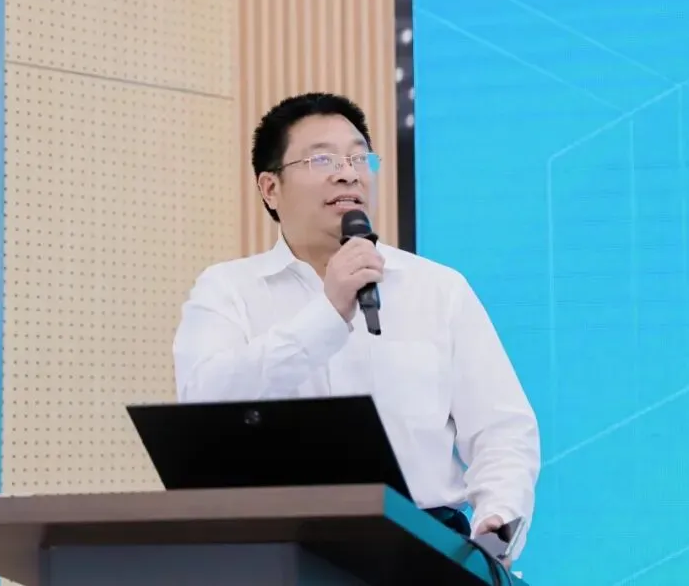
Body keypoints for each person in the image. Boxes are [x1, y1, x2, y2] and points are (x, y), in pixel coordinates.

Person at [171, 92, 540, 562]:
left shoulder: (438, 288)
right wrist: (328, 313)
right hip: (276, 552)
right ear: (270, 188)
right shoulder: (227, 289)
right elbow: (204, 403)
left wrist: (498, 518)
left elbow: (502, 429)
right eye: (322, 159)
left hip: (424, 550)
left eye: (359, 157)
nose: (348, 173)